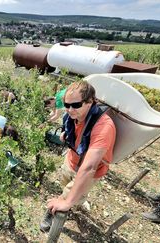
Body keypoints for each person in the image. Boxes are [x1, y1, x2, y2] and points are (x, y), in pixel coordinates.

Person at [41, 81, 116, 232]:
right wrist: (66, 133)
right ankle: (73, 199)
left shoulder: (104, 127)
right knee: (65, 187)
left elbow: (89, 168)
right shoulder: (74, 115)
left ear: (90, 102)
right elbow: (71, 127)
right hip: (71, 160)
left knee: (66, 198)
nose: (69, 109)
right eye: (66, 105)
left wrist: (67, 202)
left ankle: (54, 212)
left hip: (89, 170)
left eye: (75, 105)